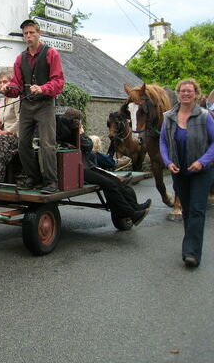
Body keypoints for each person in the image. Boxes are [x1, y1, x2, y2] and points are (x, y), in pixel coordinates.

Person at [2, 19, 65, 194]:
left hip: (45, 104)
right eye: (25, 34)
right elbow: (16, 85)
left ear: (39, 34)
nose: (28, 36)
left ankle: (51, 181)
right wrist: (8, 89)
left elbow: (59, 82)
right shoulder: (20, 58)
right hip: (27, 105)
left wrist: (43, 88)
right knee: (23, 143)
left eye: (31, 33)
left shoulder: (51, 53)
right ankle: (34, 178)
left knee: (47, 144)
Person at [58, 108, 151, 225]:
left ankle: (135, 207)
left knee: (115, 181)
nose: (80, 124)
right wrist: (81, 132)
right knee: (109, 184)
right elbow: (88, 145)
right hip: (80, 169)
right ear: (75, 121)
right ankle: (131, 214)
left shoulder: (66, 129)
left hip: (85, 166)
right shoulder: (70, 132)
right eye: (79, 121)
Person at [160, 78, 214, 268]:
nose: (186, 93)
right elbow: (163, 142)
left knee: (197, 210)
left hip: (201, 171)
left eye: (190, 91)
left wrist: (202, 162)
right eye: (183, 91)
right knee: (187, 211)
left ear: (196, 94)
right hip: (179, 170)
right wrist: (168, 162)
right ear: (178, 94)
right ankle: (191, 246)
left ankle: (191, 253)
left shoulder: (205, 116)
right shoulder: (168, 117)